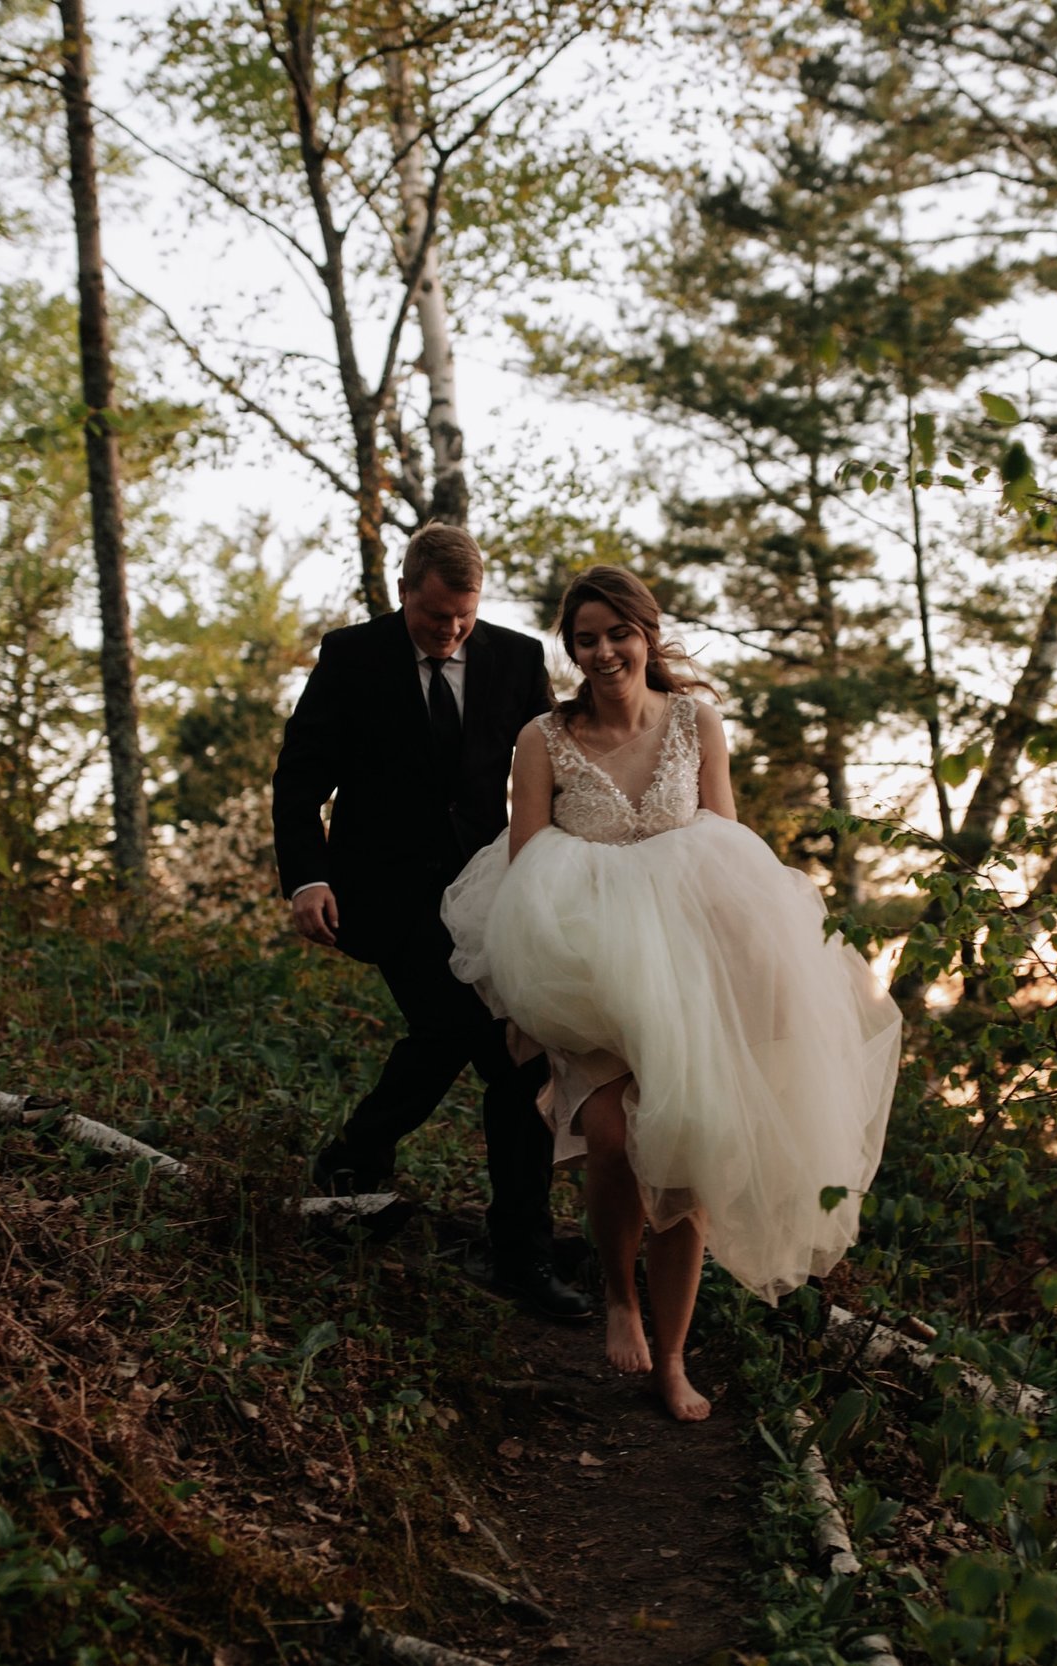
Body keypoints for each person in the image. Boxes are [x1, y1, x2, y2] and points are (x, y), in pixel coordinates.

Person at [442, 565, 901, 1419]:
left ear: (647, 633)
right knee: (614, 1136)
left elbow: (726, 845)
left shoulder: (697, 721)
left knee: (688, 1149)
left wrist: (758, 972)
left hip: (692, 961)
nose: (604, 651)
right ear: (570, 648)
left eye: (618, 632)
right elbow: (526, 861)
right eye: (586, 638)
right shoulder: (544, 739)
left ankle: (675, 1358)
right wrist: (532, 973)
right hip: (586, 966)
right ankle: (619, 1293)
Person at [270, 526, 593, 1321]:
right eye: (437, 616)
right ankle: (357, 1162)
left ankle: (517, 1252)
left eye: (465, 616)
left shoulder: (516, 660)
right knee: (452, 1029)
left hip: (489, 898)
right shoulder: (352, 656)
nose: (452, 632)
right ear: (405, 590)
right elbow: (299, 777)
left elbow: (559, 768)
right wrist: (308, 878)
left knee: (519, 1067)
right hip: (386, 897)